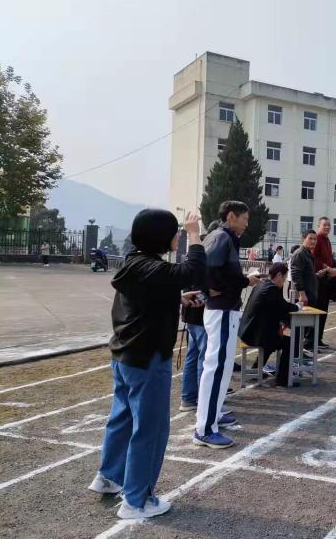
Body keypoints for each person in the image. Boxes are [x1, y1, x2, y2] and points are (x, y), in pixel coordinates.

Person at [88, 210, 205, 519]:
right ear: (159, 235)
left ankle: (109, 476)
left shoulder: (134, 263)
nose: (178, 235)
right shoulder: (153, 268)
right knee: (150, 428)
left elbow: (146, 298)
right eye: (175, 231)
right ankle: (137, 501)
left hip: (125, 356)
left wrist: (177, 299)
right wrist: (195, 234)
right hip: (148, 357)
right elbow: (192, 270)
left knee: (123, 417)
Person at [194, 201, 262, 449]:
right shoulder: (222, 237)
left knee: (221, 368)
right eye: (244, 218)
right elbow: (205, 267)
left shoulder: (222, 237)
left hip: (224, 308)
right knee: (216, 366)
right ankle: (205, 428)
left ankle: (215, 415)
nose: (247, 223)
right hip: (221, 309)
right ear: (231, 216)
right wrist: (242, 281)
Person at [179, 221, 221, 412]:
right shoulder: (206, 252)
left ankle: (188, 398)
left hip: (192, 312)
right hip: (200, 312)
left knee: (193, 355)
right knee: (203, 358)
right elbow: (201, 283)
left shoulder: (197, 250)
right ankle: (202, 402)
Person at [238, 262, 302, 387]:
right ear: (279, 275)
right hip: (255, 335)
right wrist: (297, 306)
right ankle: (283, 379)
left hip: (248, 330)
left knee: (272, 335)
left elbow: (277, 307)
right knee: (289, 342)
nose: (284, 281)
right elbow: (283, 307)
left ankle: (257, 368)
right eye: (284, 277)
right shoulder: (270, 290)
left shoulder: (262, 285)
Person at [290, 229, 320, 350]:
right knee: (298, 326)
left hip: (310, 294)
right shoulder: (299, 254)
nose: (313, 241)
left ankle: (301, 350)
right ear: (303, 239)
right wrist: (302, 294)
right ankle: (295, 352)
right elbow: (296, 274)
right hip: (303, 296)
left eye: (315, 239)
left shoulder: (308, 254)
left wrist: (316, 275)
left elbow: (306, 274)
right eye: (310, 238)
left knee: (306, 326)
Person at [313, 217, 336, 349]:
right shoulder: (316, 239)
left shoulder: (327, 240)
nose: (327, 227)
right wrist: (326, 267)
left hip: (326, 279)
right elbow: (314, 258)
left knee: (323, 310)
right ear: (319, 226)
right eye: (325, 225)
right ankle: (312, 339)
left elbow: (330, 259)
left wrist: (334, 269)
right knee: (318, 310)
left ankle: (318, 338)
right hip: (318, 279)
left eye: (329, 225)